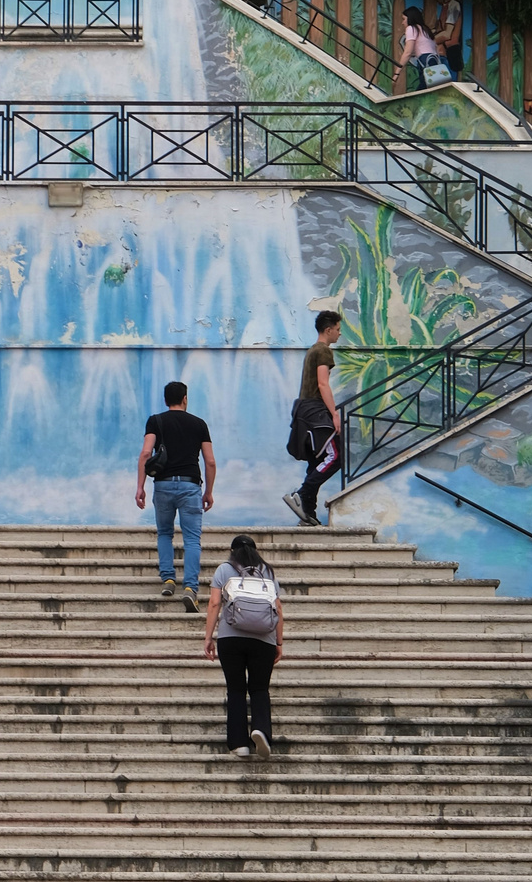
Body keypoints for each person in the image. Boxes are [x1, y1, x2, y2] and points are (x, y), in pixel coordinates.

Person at [135, 380, 216, 613]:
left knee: (164, 533)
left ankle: (168, 580)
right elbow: (210, 461)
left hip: (162, 486)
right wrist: (208, 491)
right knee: (192, 539)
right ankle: (190, 588)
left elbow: (145, 453)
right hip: (191, 486)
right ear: (185, 399)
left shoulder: (155, 421)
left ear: (165, 400)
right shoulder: (199, 424)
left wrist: (140, 486)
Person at [203, 534, 283, 759]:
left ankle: (240, 744)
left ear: (232, 551)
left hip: (231, 639)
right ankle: (261, 731)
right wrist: (278, 642)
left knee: (236, 689)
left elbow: (214, 603)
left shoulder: (224, 570)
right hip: (264, 639)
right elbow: (278, 608)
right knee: (259, 689)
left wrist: (209, 638)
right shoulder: (268, 572)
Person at [284, 310, 343, 526]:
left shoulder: (312, 351)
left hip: (304, 410)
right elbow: (322, 383)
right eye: (337, 329)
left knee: (317, 459)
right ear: (328, 330)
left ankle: (307, 513)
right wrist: (334, 414)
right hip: (315, 411)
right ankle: (303, 494)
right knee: (336, 457)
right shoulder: (323, 351)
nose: (339, 334)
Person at [391, 6, 437, 91]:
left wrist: (396, 73)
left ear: (410, 19)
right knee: (430, 89)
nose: (402, 22)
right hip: (434, 60)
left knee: (422, 92)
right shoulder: (426, 30)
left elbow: (407, 52)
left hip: (424, 61)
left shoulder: (411, 28)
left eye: (404, 19)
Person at [432, 0, 464, 81]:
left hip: (450, 51)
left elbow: (447, 34)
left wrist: (429, 42)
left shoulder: (454, 6)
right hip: (442, 52)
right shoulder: (445, 6)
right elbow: (439, 29)